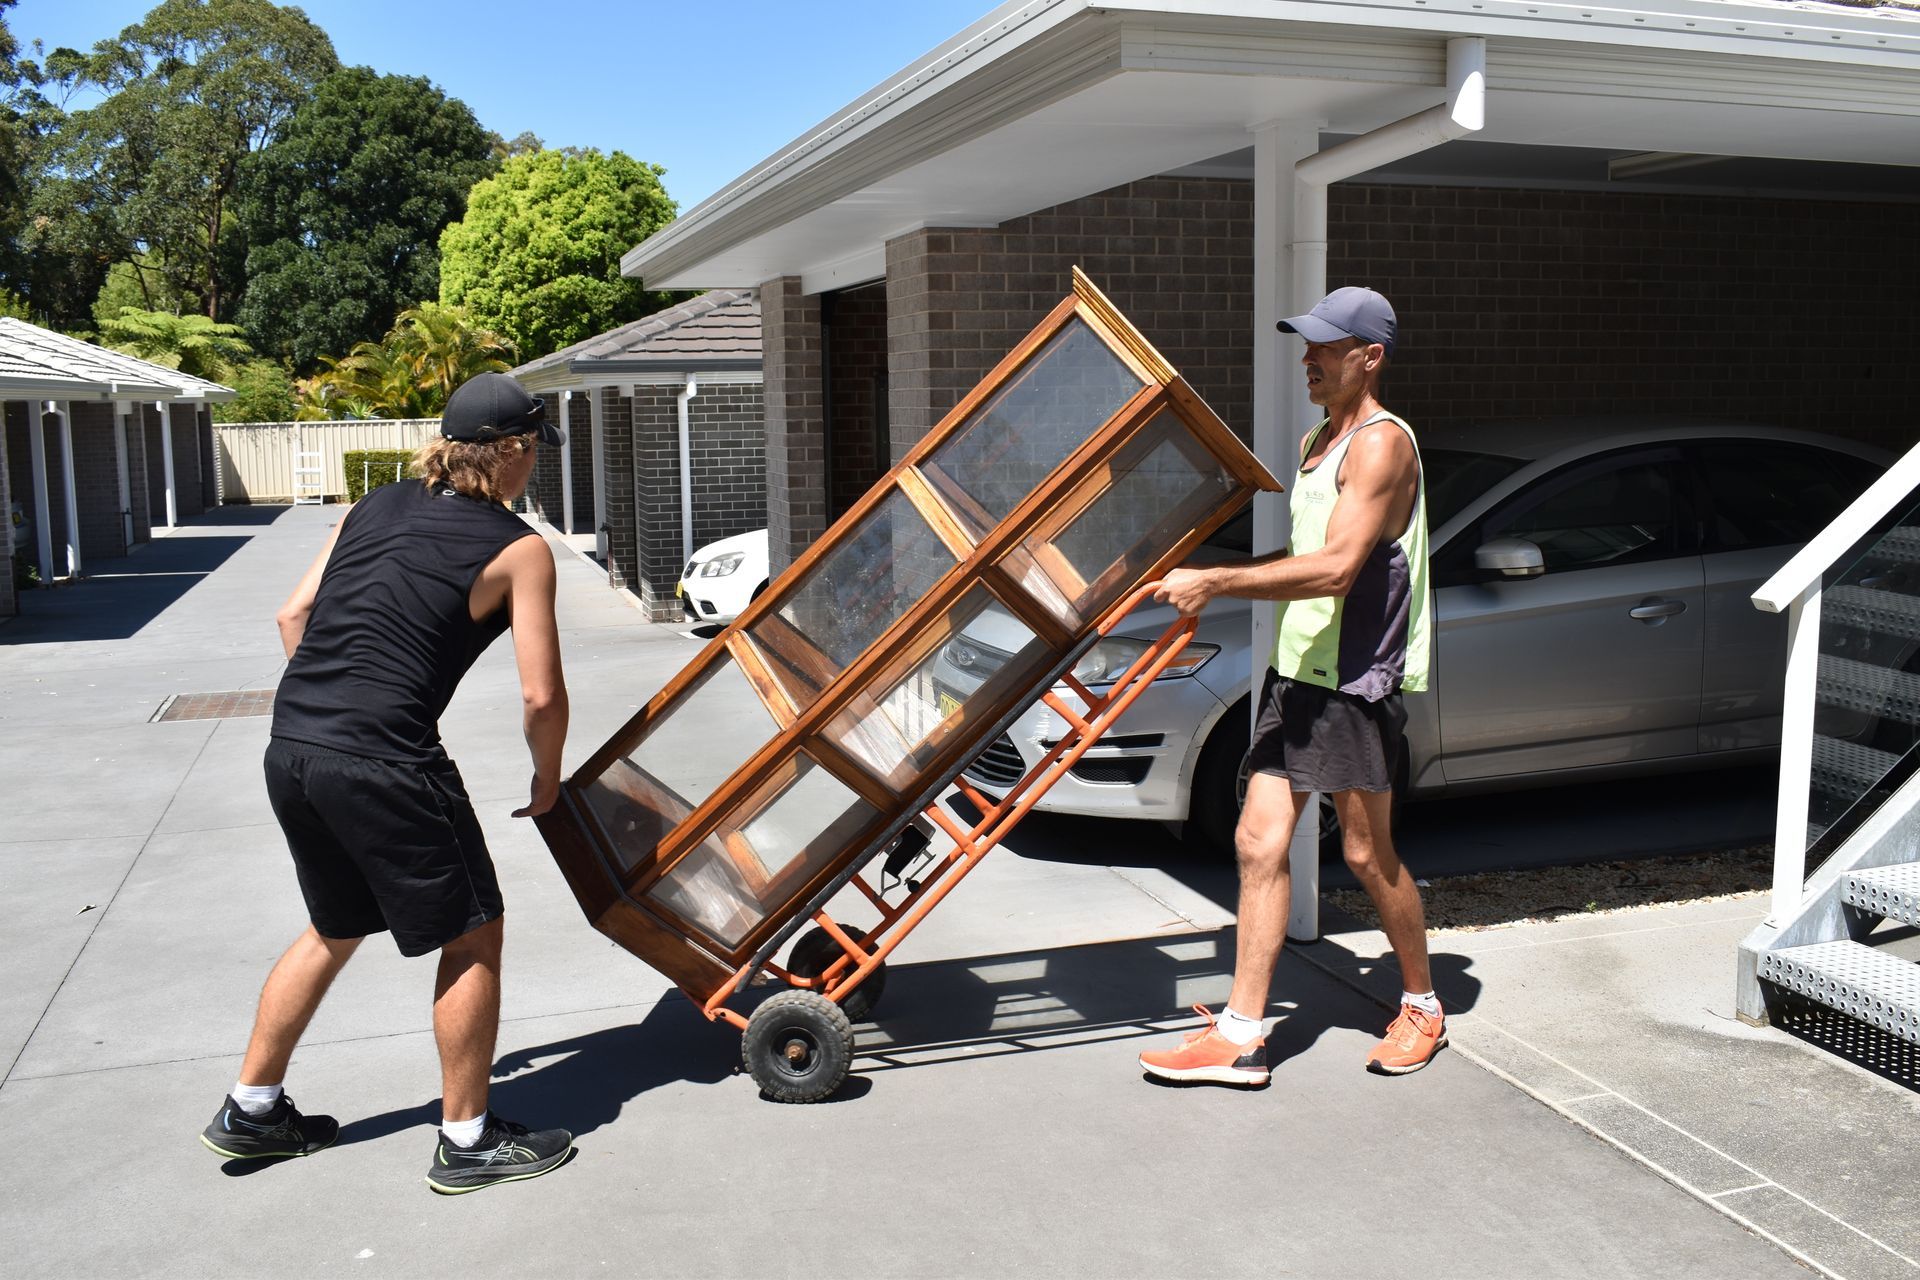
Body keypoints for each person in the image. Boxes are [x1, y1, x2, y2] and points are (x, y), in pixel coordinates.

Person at [200, 372, 576, 1193]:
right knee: (474, 932)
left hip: (294, 743)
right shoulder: (518, 548)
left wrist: (335, 707)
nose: (533, 470)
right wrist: (547, 778)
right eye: (532, 454)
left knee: (334, 926)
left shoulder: (369, 508)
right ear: (511, 452)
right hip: (385, 761)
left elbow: (292, 617)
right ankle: (469, 1141)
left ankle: (252, 1109)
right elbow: (542, 695)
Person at [1139, 286, 1443, 1086]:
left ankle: (1422, 1005)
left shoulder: (1380, 445)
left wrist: (1217, 582)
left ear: (1369, 357)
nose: (1307, 359)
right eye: (1305, 344)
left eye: (1325, 347)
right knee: (1256, 840)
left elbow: (1340, 568)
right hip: (1299, 674)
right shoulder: (1320, 439)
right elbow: (1310, 558)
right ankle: (1241, 1036)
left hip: (1352, 681)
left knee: (1368, 854)